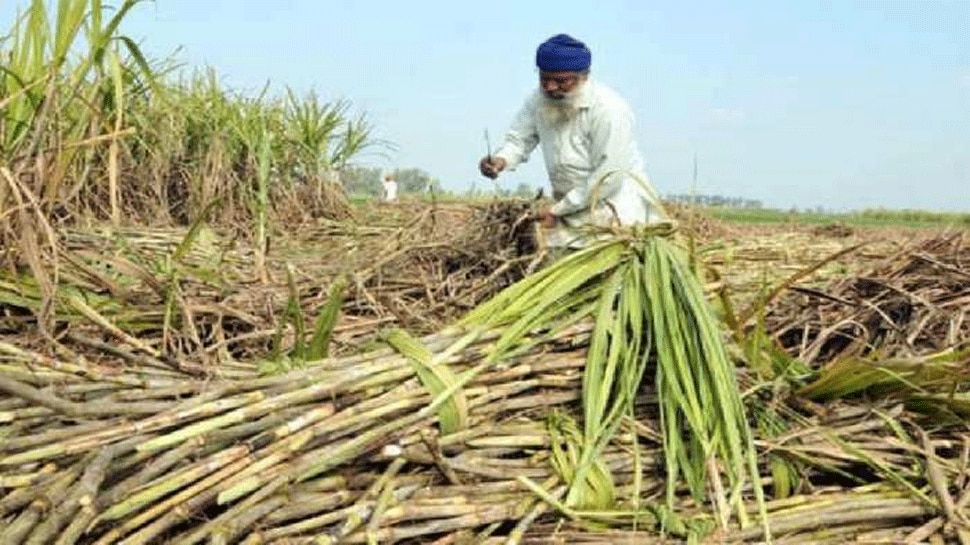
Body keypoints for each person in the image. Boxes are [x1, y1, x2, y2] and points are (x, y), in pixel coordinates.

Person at [479, 33, 666, 248]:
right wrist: (501, 159)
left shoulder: (609, 111)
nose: (550, 87)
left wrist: (557, 210)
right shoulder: (538, 99)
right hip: (568, 209)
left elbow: (607, 177)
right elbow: (520, 139)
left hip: (613, 212)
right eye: (544, 78)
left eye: (561, 81)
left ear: (583, 76)